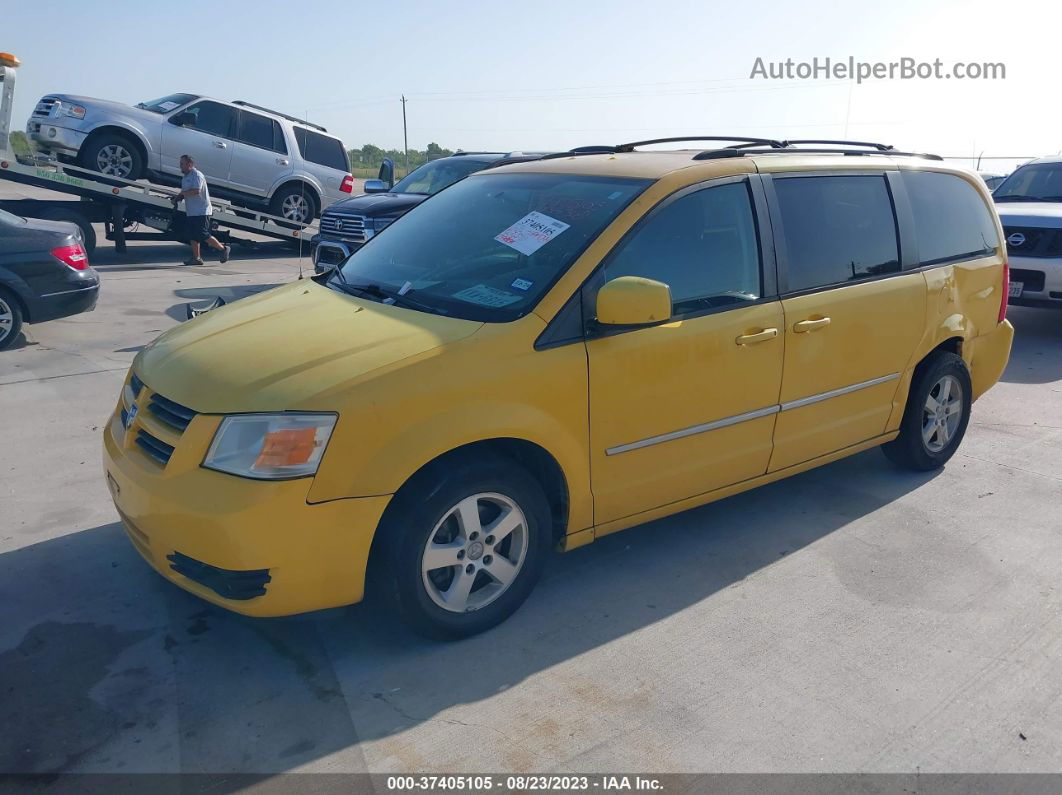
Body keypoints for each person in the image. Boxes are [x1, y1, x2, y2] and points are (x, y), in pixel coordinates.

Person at [172, 154, 230, 266]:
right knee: (192, 235)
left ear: (189, 164)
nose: (180, 166)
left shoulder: (197, 175)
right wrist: (178, 198)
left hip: (202, 211)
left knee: (202, 234)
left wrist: (183, 194)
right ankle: (197, 258)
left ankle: (223, 249)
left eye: (182, 164)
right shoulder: (185, 177)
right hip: (192, 211)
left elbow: (196, 191)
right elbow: (186, 192)